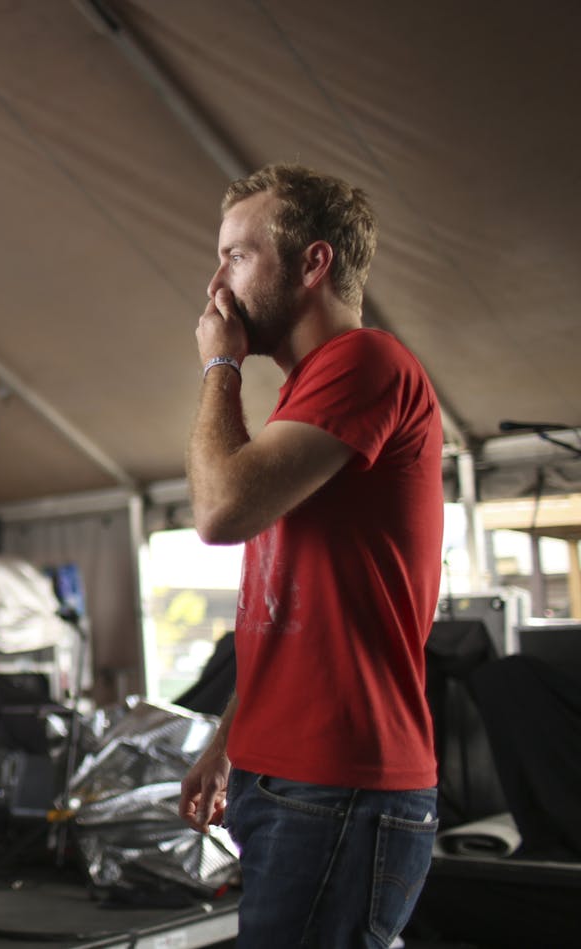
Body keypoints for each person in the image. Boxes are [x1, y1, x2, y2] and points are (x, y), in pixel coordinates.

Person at [177, 164, 443, 947]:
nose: (216, 280)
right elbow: (289, 607)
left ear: (313, 262)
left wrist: (219, 364)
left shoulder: (367, 363)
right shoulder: (309, 393)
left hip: (340, 782)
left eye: (237, 255)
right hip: (289, 777)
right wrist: (232, 736)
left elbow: (219, 508)